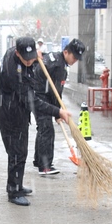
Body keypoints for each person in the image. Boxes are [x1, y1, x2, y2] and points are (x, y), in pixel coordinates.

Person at [0, 37, 69, 206]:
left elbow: (31, 62)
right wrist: (57, 111)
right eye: (26, 59)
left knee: (21, 150)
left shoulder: (18, 55)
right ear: (17, 53)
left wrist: (35, 60)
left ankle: (18, 184)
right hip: (10, 113)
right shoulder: (14, 73)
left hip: (19, 112)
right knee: (16, 153)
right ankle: (13, 191)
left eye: (32, 58)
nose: (29, 62)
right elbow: (33, 101)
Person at [31, 38, 85, 175]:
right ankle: (45, 166)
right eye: (74, 57)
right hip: (39, 96)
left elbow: (54, 91)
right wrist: (58, 112)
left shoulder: (53, 58)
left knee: (43, 127)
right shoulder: (59, 67)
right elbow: (55, 92)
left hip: (35, 94)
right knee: (46, 129)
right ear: (66, 52)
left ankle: (39, 161)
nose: (75, 61)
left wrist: (57, 112)